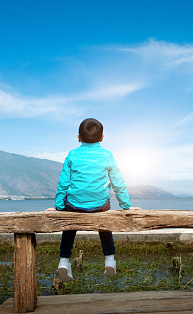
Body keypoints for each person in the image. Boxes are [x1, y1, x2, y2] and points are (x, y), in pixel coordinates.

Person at [46, 118, 141, 282]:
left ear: (78, 137)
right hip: (100, 206)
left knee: (69, 225)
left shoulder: (72, 155)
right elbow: (117, 182)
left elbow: (63, 183)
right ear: (102, 137)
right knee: (105, 223)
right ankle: (109, 259)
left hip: (74, 206)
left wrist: (59, 207)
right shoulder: (107, 155)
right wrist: (126, 206)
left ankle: (63, 261)